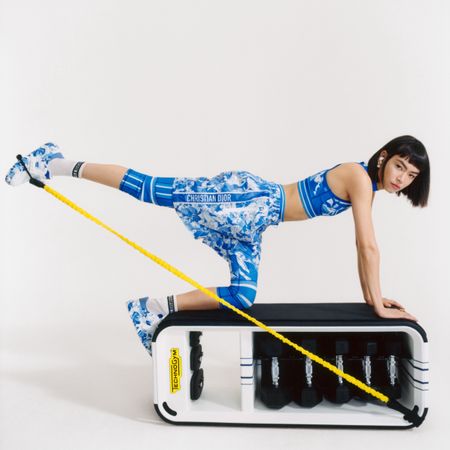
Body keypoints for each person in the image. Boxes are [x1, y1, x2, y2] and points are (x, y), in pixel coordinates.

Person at [5, 135, 430, 356]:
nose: (401, 178)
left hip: (255, 222)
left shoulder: (367, 187)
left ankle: (151, 308)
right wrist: (375, 303)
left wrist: (373, 299)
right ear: (383, 157)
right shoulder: (359, 177)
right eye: (399, 166)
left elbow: (363, 249)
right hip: (246, 199)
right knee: (152, 189)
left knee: (243, 298)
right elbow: (367, 247)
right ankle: (53, 162)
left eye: (410, 175)